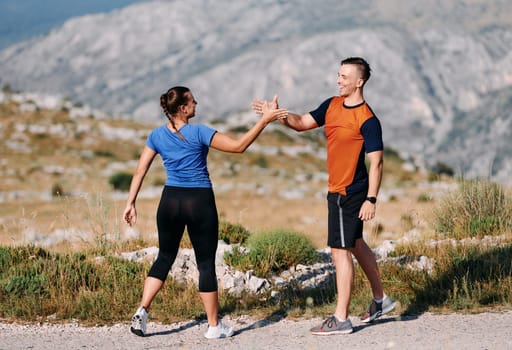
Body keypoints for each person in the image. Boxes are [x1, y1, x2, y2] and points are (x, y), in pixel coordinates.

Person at [123, 86, 288, 338]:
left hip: (169, 201)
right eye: (192, 100)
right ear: (183, 108)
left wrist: (130, 202)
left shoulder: (156, 135)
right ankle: (213, 326)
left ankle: (142, 310)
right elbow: (238, 146)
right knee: (205, 264)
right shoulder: (199, 132)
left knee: (164, 257)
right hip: (199, 201)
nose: (196, 102)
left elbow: (139, 171)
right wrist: (264, 121)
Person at [252, 57, 396, 335]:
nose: (338, 80)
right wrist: (276, 115)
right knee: (355, 244)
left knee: (340, 252)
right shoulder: (331, 105)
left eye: (344, 76)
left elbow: (377, 163)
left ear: (359, 82)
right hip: (336, 191)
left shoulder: (367, 119)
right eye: (338, 75)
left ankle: (341, 319)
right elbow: (302, 123)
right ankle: (381, 300)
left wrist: (372, 199)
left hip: (350, 193)